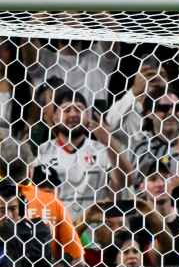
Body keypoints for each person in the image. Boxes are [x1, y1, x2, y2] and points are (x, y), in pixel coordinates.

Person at [35, 88, 126, 219]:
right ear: (54, 117)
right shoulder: (43, 151)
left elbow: (123, 182)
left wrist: (107, 140)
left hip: (94, 229)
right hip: (60, 229)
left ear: (88, 116)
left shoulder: (102, 150)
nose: (73, 114)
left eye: (79, 109)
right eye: (66, 110)